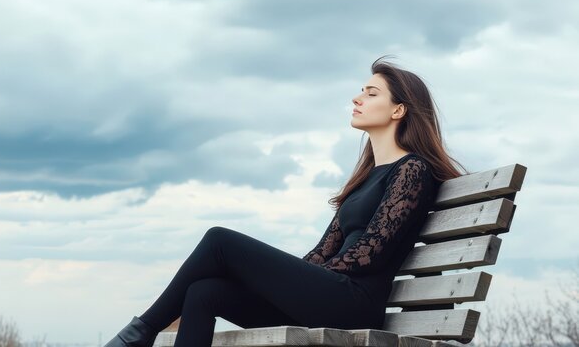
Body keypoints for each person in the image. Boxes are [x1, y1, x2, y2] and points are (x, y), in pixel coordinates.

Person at [103, 56, 467, 347]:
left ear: (398, 110)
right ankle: (140, 335)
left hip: (353, 304)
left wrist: (287, 277)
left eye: (371, 93)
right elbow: (322, 252)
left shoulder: (412, 170)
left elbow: (371, 253)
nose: (357, 99)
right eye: (360, 91)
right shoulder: (362, 182)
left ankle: (140, 333)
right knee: (205, 291)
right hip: (329, 296)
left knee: (219, 241)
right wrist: (273, 280)